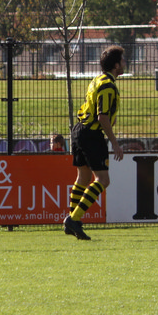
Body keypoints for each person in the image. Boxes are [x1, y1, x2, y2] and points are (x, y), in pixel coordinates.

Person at [63, 45, 126, 241]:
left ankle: (73, 222)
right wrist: (114, 143)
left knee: (83, 177)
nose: (125, 63)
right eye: (123, 60)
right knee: (103, 180)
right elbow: (102, 117)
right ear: (116, 65)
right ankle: (74, 219)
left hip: (79, 130)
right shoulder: (108, 86)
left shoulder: (97, 79)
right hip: (91, 134)